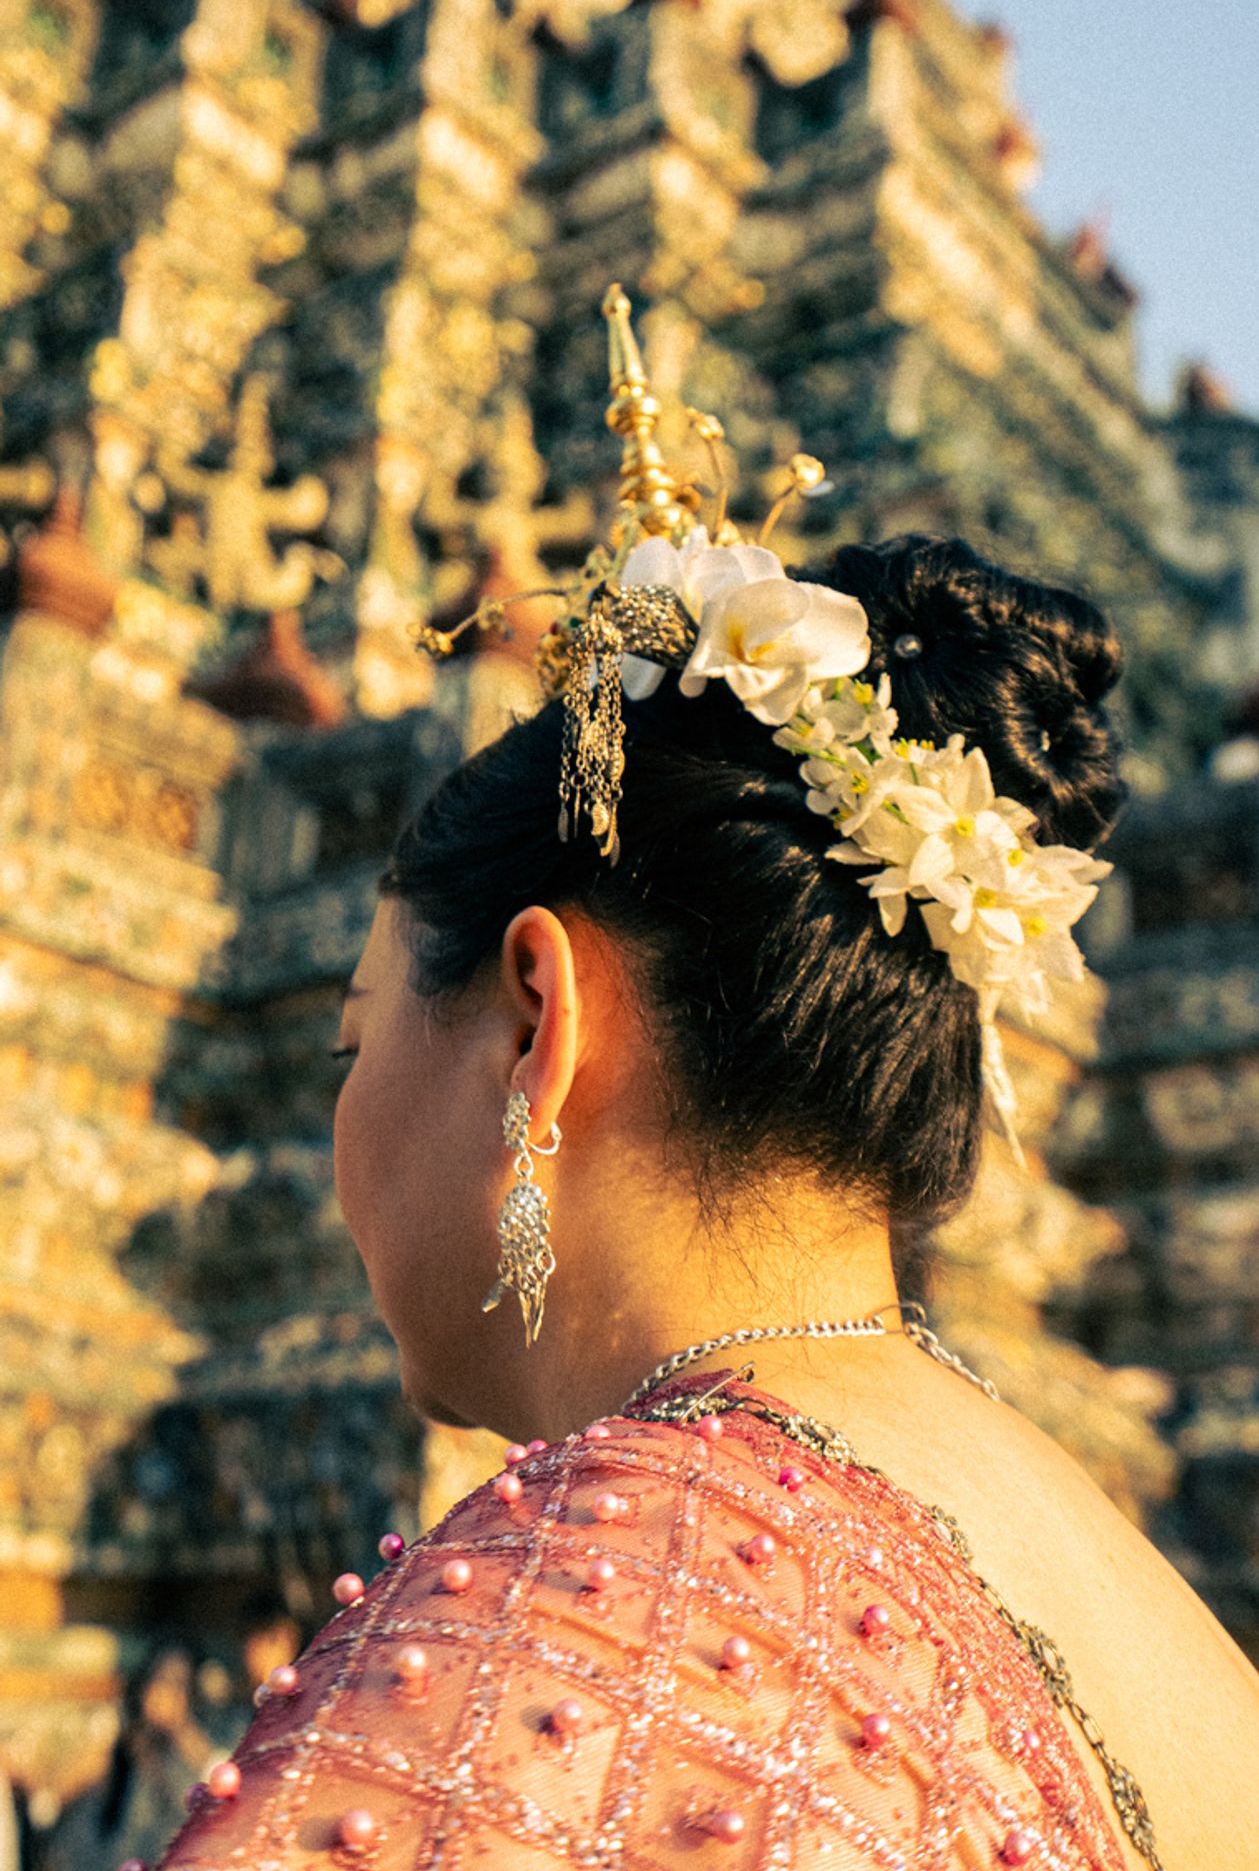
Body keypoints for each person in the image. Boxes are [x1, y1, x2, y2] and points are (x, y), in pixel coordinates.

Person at [159, 306, 1259, 1870]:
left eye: (351, 1042)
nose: (339, 1116)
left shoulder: (548, 1666)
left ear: (536, 1020)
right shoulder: (1128, 1586)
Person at [42, 1646, 212, 1871]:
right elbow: (51, 1803)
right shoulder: (116, 1732)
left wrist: (181, 1729)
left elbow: (214, 1773)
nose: (164, 1693)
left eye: (178, 1684)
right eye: (159, 1680)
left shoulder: (202, 1740)